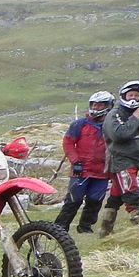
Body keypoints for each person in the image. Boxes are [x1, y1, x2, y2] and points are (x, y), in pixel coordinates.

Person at [99, 80, 139, 237]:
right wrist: (135, 118)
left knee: (116, 195)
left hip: (134, 159)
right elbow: (120, 134)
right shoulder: (114, 114)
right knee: (130, 190)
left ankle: (105, 231)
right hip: (119, 160)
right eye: (130, 95)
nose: (133, 98)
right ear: (123, 96)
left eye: (136, 95)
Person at [55, 91, 113, 233]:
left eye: (99, 105)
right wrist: (75, 161)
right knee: (74, 199)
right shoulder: (79, 124)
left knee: (95, 200)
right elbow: (68, 143)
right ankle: (60, 227)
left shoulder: (112, 126)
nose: (96, 107)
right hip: (81, 170)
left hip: (102, 172)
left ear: (108, 106)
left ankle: (85, 227)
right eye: (94, 104)